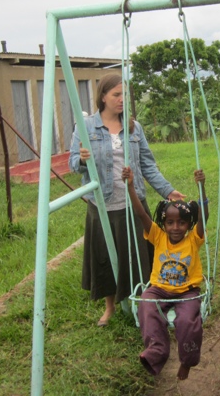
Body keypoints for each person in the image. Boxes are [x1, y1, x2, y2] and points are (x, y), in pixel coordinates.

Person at [69, 73, 185, 327]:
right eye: (116, 95)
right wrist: (82, 159)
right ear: (103, 97)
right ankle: (110, 307)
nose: (122, 99)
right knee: (105, 257)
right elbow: (72, 163)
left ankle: (146, 304)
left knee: (140, 258)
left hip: (134, 203)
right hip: (102, 205)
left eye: (124, 95)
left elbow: (147, 164)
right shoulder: (85, 127)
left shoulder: (134, 127)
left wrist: (167, 191)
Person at [122, 165, 208, 381]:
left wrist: (201, 187)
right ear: (163, 223)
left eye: (181, 223)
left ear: (189, 224)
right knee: (146, 304)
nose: (175, 227)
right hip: (159, 289)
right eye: (170, 223)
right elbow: (141, 213)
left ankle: (187, 361)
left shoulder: (193, 239)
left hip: (188, 291)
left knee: (187, 321)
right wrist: (130, 186)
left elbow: (203, 218)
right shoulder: (158, 236)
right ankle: (157, 351)